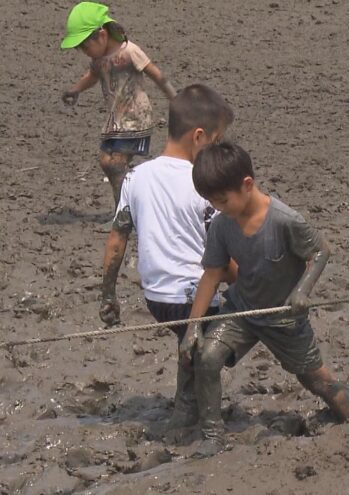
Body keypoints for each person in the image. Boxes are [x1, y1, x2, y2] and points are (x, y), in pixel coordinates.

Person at [181, 142, 349, 457]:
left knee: (316, 380)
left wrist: (302, 290)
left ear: (247, 185)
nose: (219, 207)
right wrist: (194, 326)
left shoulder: (286, 220)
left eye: (223, 199)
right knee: (207, 356)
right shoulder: (222, 225)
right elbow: (213, 273)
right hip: (243, 310)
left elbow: (321, 251)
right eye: (212, 202)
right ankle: (213, 436)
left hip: (283, 317)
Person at [99, 84, 235, 430]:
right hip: (196, 299)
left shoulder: (135, 176)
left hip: (157, 299)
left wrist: (108, 294)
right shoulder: (204, 183)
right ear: (200, 137)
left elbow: (117, 239)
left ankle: (183, 407)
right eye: (218, 141)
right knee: (236, 333)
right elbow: (222, 255)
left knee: (189, 338)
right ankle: (203, 419)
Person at [60, 2, 178, 207]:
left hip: (135, 119)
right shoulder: (99, 59)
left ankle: (125, 213)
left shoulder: (130, 52)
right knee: (107, 162)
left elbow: (157, 75)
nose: (85, 52)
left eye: (85, 46)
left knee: (114, 164)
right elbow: (92, 76)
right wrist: (75, 89)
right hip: (116, 122)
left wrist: (176, 100)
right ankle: (131, 202)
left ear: (102, 35)